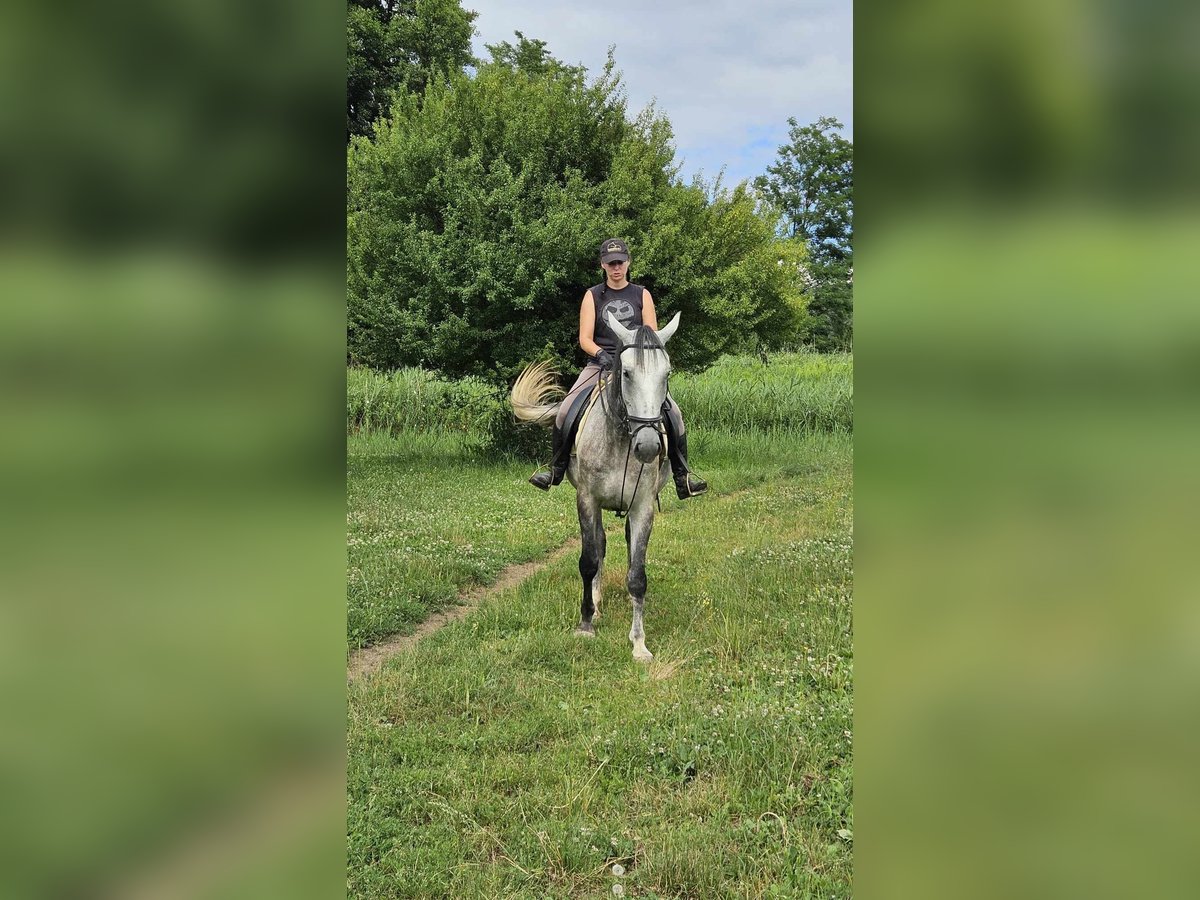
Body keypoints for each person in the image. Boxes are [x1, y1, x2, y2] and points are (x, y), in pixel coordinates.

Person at [529, 238, 708, 499]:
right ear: (603, 264)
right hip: (600, 364)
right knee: (567, 408)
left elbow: (651, 336)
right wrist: (601, 354)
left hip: (636, 366)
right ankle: (555, 469)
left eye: (620, 262)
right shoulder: (592, 295)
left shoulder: (641, 294)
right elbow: (584, 339)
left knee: (674, 413)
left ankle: (683, 477)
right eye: (611, 263)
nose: (616, 267)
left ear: (628, 262)